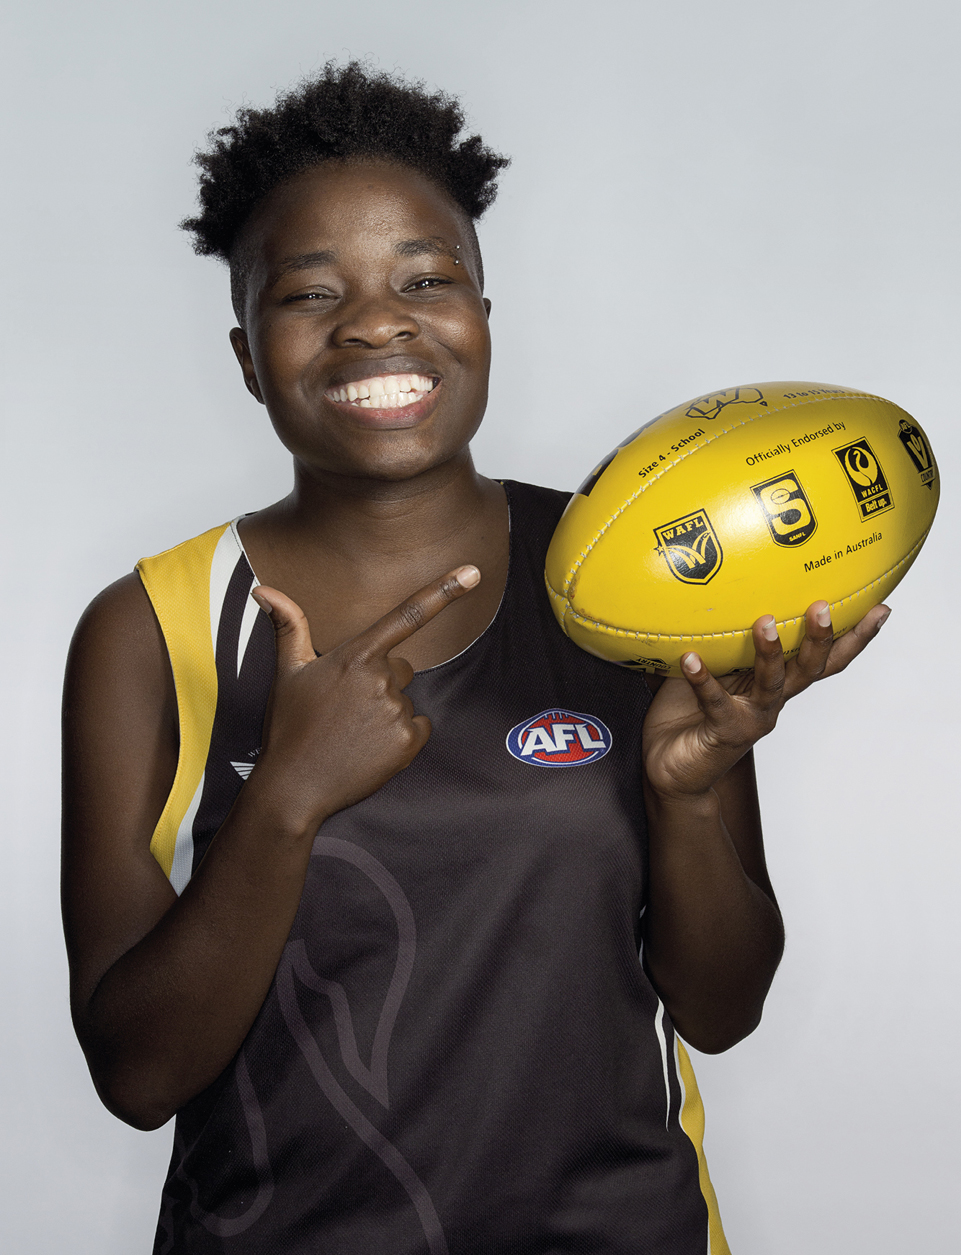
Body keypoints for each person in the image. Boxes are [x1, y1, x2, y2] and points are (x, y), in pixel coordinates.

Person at [61, 62, 889, 1254]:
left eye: (425, 279)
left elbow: (720, 1009)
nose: (374, 320)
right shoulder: (155, 628)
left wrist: (688, 792)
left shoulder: (633, 580)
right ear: (246, 355)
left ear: (482, 321)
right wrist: (288, 794)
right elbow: (137, 1076)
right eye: (307, 292)